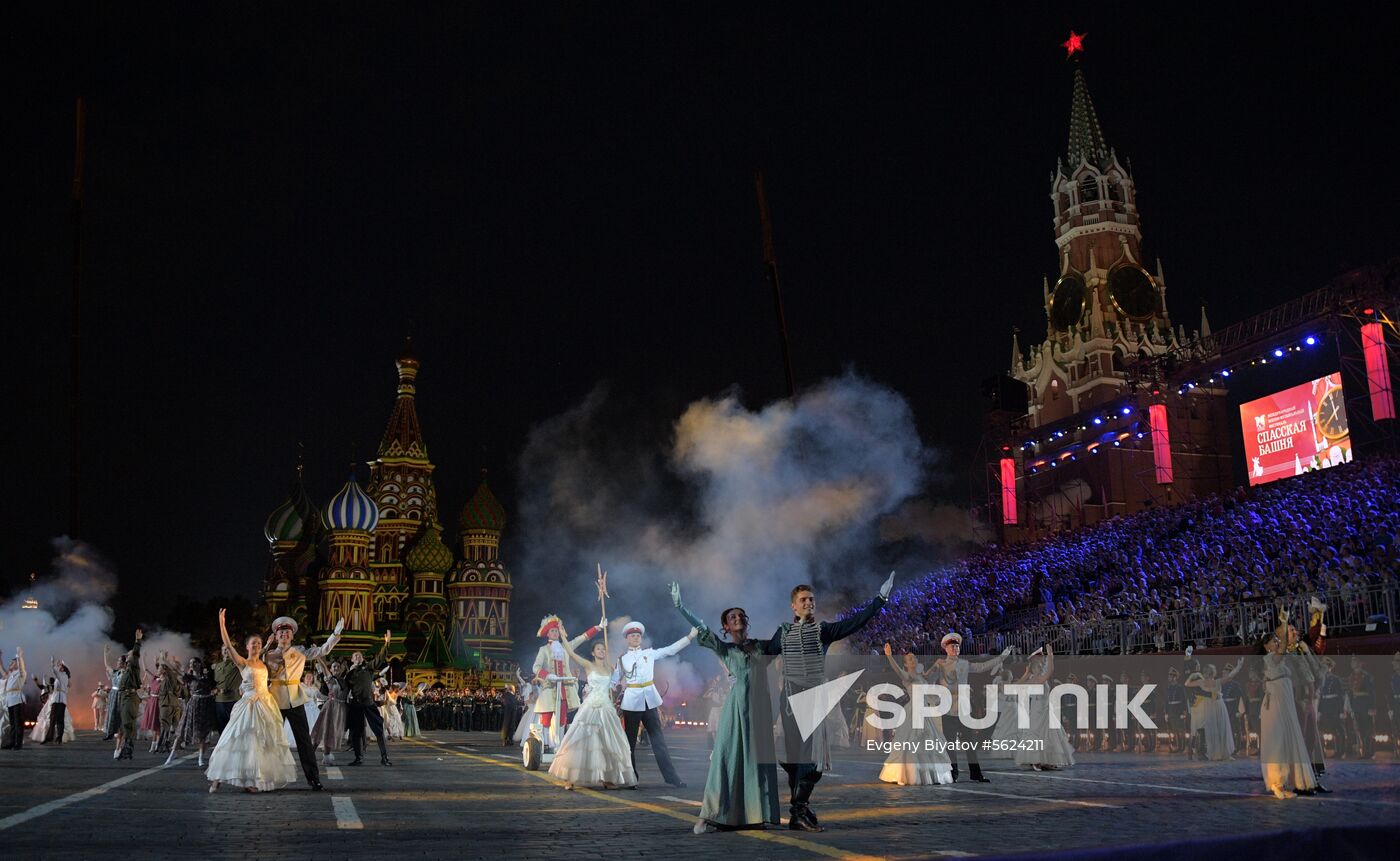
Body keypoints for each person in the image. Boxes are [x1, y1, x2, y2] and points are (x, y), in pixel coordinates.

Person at [759, 573, 894, 832]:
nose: (808, 603)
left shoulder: (823, 631)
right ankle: (799, 811)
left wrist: (880, 599)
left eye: (811, 599)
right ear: (793, 605)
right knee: (796, 759)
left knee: (812, 760)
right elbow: (763, 650)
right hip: (788, 700)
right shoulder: (783, 633)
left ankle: (799, 809)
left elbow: (855, 623)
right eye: (803, 599)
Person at [673, 584, 781, 832]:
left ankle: (755, 814)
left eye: (741, 615)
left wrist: (794, 620)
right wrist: (681, 607)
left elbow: (780, 642)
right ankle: (709, 813)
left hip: (759, 709)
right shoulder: (726, 649)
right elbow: (702, 628)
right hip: (735, 709)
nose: (738, 618)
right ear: (726, 627)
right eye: (732, 617)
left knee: (758, 763)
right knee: (726, 759)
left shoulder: (760, 647)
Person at [205, 608, 298, 793]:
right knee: (235, 740)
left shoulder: (263, 662)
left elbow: (269, 657)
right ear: (247, 647)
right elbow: (229, 647)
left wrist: (269, 644)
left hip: (265, 704)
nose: (255, 646)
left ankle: (252, 780)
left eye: (258, 644)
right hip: (248, 705)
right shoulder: (242, 663)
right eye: (252, 644)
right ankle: (217, 778)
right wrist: (222, 625)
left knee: (259, 744)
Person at [548, 621, 636, 790]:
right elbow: (571, 653)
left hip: (606, 708)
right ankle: (570, 778)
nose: (601, 651)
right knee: (580, 740)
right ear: (593, 653)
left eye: (603, 649)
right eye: (598, 649)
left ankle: (607, 778)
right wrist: (563, 635)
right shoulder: (589, 665)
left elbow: (619, 679)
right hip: (590, 707)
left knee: (607, 742)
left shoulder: (610, 669)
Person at [263, 615, 343, 792]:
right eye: (281, 632)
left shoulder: (299, 651)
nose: (284, 634)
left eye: (287, 632)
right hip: (274, 700)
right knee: (270, 740)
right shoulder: (268, 654)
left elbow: (322, 651)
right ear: (275, 636)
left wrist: (335, 635)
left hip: (294, 699)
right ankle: (266, 777)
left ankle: (313, 779)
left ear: (292, 636)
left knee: (304, 742)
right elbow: (255, 667)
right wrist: (265, 647)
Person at [613, 618, 695, 788]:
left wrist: (690, 637)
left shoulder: (649, 653)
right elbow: (612, 680)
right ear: (627, 639)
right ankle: (631, 778)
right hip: (631, 702)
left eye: (638, 635)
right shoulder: (622, 660)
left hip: (649, 700)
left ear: (641, 638)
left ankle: (672, 777)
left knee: (659, 742)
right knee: (629, 744)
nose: (635, 638)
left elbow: (671, 650)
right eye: (632, 635)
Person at [929, 632, 1009, 782]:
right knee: (950, 744)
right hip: (948, 709)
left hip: (964, 709)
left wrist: (1001, 658)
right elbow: (929, 680)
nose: (955, 648)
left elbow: (982, 666)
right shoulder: (940, 664)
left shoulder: (964, 664)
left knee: (970, 743)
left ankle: (976, 773)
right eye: (952, 646)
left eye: (957, 646)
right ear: (946, 648)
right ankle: (953, 773)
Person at [879, 643, 953, 786]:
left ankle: (929, 775)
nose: (913, 660)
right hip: (914, 711)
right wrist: (889, 656)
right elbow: (898, 671)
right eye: (910, 659)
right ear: (906, 665)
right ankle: (909, 773)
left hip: (924, 711)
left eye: (914, 658)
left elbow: (929, 676)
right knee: (911, 741)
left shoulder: (921, 676)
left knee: (927, 742)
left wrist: (937, 664)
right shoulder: (908, 676)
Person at [1259, 632, 1319, 798]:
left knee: (1290, 737)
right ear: (1267, 646)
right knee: (1278, 740)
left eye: (1277, 640)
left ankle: (1295, 780)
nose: (1277, 643)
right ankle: (1277, 783)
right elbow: (1284, 648)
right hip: (1276, 703)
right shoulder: (1271, 658)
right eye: (1273, 641)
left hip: (1286, 702)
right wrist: (1284, 626)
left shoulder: (1280, 662)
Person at [531, 614, 604, 748]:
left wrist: (597, 628)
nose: (555, 633)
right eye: (552, 631)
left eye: (557, 631)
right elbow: (535, 667)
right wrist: (547, 675)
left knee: (562, 719)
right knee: (546, 717)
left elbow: (582, 638)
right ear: (547, 633)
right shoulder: (543, 650)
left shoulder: (566, 646)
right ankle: (545, 744)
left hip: (565, 688)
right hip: (550, 687)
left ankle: (560, 744)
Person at [1013, 647, 1074, 771]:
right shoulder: (1035, 679)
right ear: (1034, 667)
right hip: (1037, 711)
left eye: (1041, 664)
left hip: (1046, 710)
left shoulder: (1040, 678)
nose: (1041, 666)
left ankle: (1047, 761)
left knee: (1049, 737)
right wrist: (1026, 674)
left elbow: (1049, 669)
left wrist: (1050, 656)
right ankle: (1035, 760)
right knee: (1037, 735)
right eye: (1039, 665)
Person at [344, 633, 393, 766]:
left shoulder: (368, 668)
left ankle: (384, 757)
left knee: (378, 730)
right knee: (356, 732)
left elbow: (380, 658)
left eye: (359, 655)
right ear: (352, 660)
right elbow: (344, 688)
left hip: (368, 703)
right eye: (355, 656)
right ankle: (358, 758)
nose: (357, 656)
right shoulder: (349, 674)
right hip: (355, 705)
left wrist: (386, 643)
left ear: (362, 658)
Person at [1185, 661, 1242, 761]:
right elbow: (1230, 676)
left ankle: (1215, 753)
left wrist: (1193, 675)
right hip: (1218, 707)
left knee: (1212, 730)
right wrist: (1238, 667)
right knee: (1221, 729)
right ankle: (1223, 753)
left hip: (1209, 708)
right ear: (1213, 673)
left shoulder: (1201, 682)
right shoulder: (1217, 681)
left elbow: (1187, 684)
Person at [167, 657, 217, 767]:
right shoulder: (189, 677)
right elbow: (176, 671)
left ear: (200, 664)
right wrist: (166, 661)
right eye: (191, 663)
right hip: (193, 705)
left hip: (205, 705)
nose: (192, 665)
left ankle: (200, 757)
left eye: (195, 663)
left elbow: (214, 686)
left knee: (202, 733)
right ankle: (172, 754)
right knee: (181, 731)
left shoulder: (207, 676)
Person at [311, 660, 348, 763]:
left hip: (341, 708)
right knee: (323, 729)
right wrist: (318, 655)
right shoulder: (330, 679)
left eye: (338, 666)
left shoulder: (345, 680)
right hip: (331, 707)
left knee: (332, 732)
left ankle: (327, 755)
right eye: (334, 667)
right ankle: (310, 753)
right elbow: (323, 667)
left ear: (341, 669)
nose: (336, 668)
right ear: (331, 670)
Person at [115, 632, 144, 760]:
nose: (127, 656)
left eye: (129, 654)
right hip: (125, 698)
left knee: (127, 724)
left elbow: (136, 655)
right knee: (125, 724)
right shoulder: (127, 670)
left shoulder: (133, 667)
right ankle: (126, 749)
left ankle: (127, 748)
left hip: (130, 698)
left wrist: (137, 642)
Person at [4, 647, 29, 750]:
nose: (10, 664)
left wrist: (19, 656)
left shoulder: (21, 673)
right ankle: (12, 742)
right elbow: (2, 669)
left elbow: (21, 666)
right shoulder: (11, 675)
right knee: (13, 723)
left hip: (17, 699)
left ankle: (18, 744)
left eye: (12, 662)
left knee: (18, 723)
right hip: (10, 700)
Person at [212, 645, 240, 733]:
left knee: (233, 726)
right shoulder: (216, 666)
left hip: (233, 699)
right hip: (219, 700)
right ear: (221, 652)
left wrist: (266, 647)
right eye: (224, 650)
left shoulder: (237, 664)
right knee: (221, 726)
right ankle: (222, 746)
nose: (226, 652)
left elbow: (252, 658)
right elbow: (214, 681)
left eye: (228, 650)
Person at [44, 659, 71, 745]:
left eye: (61, 667)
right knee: (53, 719)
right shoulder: (60, 676)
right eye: (59, 667)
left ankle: (58, 738)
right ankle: (51, 738)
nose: (59, 668)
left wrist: (53, 663)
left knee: (59, 719)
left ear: (64, 669)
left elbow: (54, 671)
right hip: (56, 699)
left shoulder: (64, 676)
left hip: (61, 699)